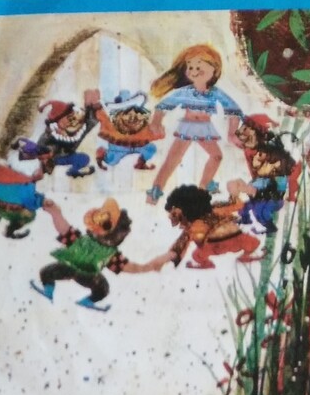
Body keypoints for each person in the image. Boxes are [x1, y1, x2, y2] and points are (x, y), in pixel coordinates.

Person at [29, 198, 170, 311]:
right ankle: (54, 292)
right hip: (81, 273)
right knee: (101, 289)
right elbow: (64, 229)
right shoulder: (98, 248)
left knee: (101, 288)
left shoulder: (103, 250)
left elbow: (64, 229)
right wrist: (55, 213)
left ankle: (59, 293)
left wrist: (149, 266)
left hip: (77, 271)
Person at [145, 44, 244, 203]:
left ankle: (204, 186)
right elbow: (163, 106)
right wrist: (156, 122)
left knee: (216, 156)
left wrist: (232, 133)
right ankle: (156, 189)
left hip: (205, 128)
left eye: (199, 67)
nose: (194, 71)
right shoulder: (186, 92)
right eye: (190, 67)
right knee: (173, 159)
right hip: (188, 127)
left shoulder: (215, 93)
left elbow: (233, 110)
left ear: (214, 69)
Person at [162, 184, 261, 269]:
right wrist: (171, 256)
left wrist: (234, 193)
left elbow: (237, 205)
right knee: (197, 255)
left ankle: (244, 256)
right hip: (216, 246)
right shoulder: (192, 226)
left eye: (175, 213)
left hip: (235, 240)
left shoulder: (215, 208)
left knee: (254, 242)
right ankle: (206, 263)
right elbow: (181, 244)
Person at [94, 90, 162, 170]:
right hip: (122, 144)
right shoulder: (115, 122)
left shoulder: (138, 118)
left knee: (150, 149)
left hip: (135, 143)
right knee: (111, 160)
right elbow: (103, 117)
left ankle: (140, 163)